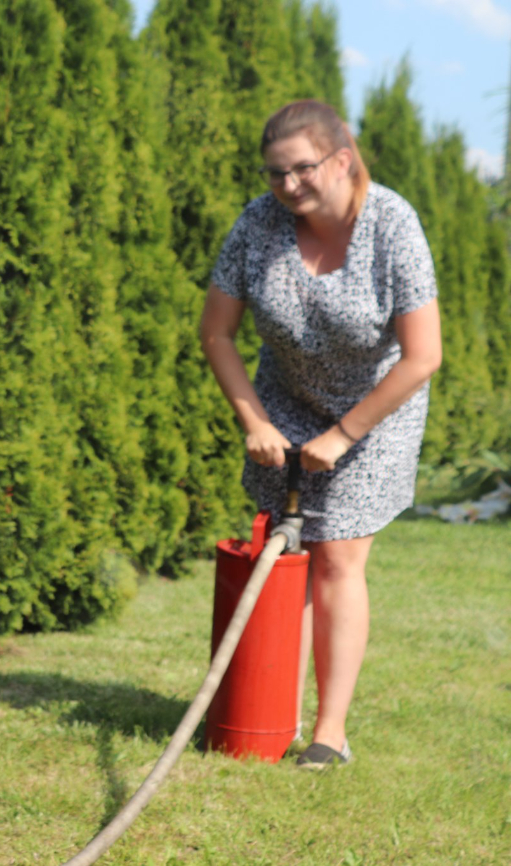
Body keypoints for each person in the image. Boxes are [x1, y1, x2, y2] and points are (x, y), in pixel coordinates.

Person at [199, 100, 442, 770]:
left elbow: (424, 356)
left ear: (342, 157)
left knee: (336, 558)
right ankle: (271, 712)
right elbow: (216, 332)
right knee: (285, 558)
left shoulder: (392, 226)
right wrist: (254, 419)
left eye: (302, 169)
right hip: (283, 403)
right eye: (275, 174)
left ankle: (329, 734)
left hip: (374, 409)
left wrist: (343, 433)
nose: (288, 187)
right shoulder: (258, 223)